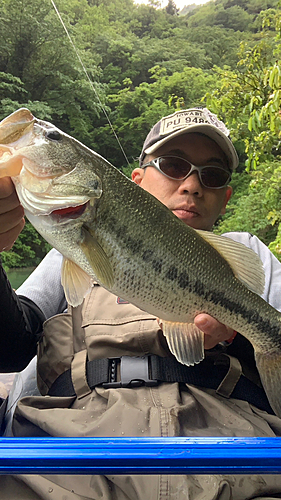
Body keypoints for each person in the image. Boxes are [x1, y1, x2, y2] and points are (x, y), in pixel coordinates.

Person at [1, 107, 281, 499]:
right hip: (73, 460)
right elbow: (10, 347)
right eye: (172, 165)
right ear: (137, 179)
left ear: (225, 197)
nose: (192, 185)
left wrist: (235, 339)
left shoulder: (247, 252)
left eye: (212, 175)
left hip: (232, 462)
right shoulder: (66, 245)